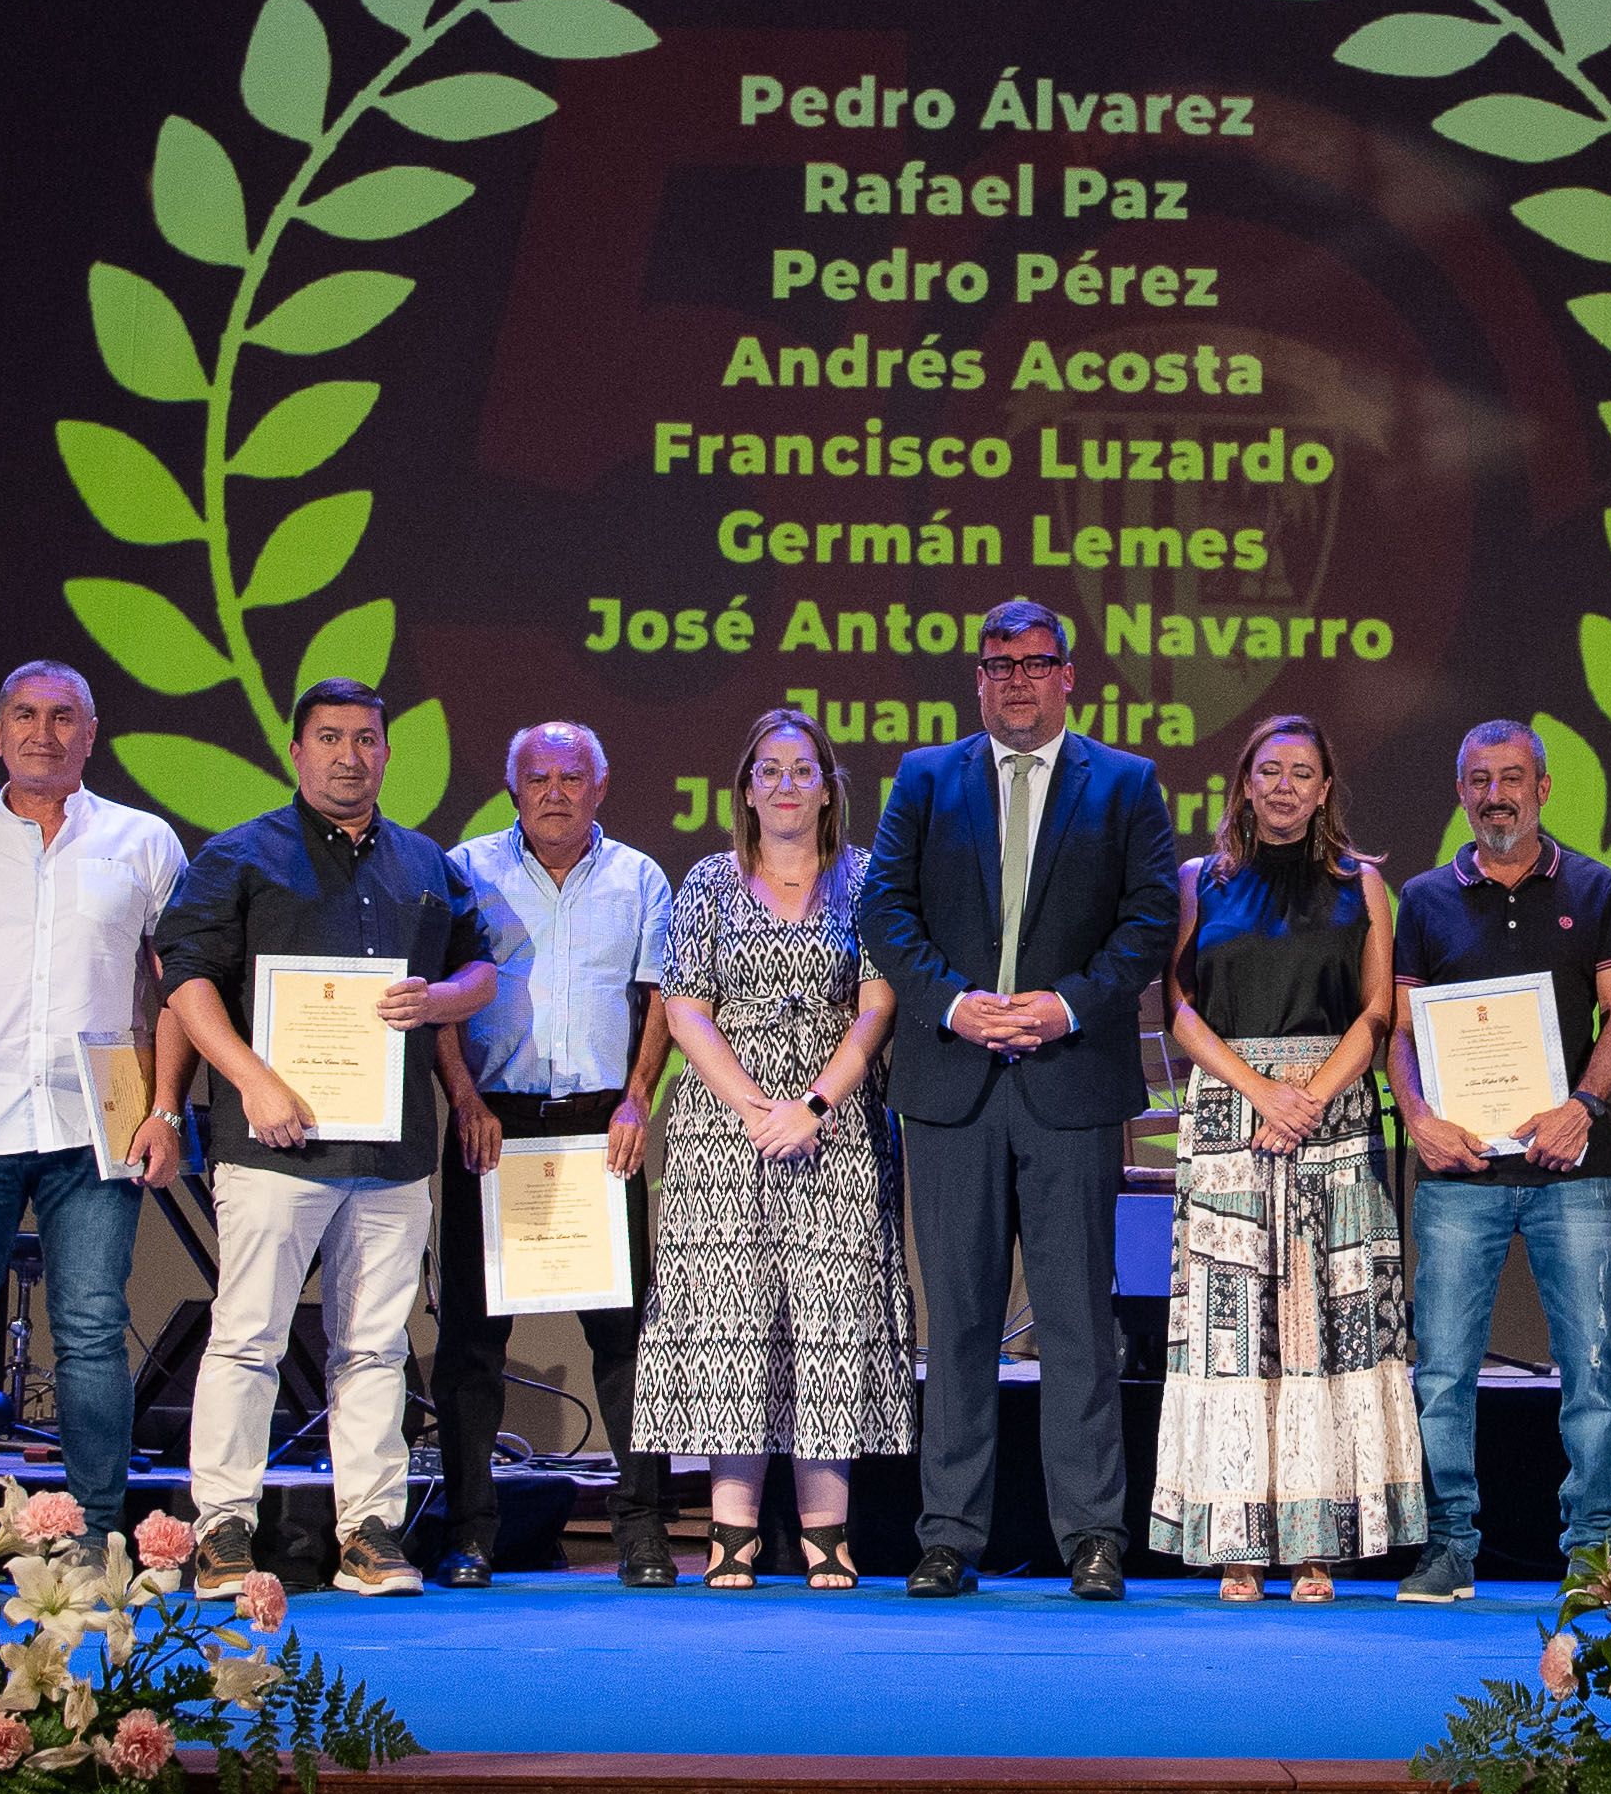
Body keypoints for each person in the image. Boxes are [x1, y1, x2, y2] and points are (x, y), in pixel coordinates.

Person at [854, 598, 1181, 1600]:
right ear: (979, 676)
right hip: (953, 1085)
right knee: (956, 1319)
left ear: (1067, 675)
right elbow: (883, 907)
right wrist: (954, 1005)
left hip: (1069, 1083)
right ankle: (949, 1533)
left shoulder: (1125, 783)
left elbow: (1150, 917)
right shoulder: (925, 777)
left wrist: (1063, 1005)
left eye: (1035, 663)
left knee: (1078, 1320)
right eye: (999, 663)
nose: (1017, 679)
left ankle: (1092, 1536)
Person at [154, 680, 497, 1589]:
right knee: (247, 1337)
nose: (351, 755)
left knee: (377, 1347)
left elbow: (480, 969)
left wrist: (443, 998)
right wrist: (255, 1079)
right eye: (331, 738)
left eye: (368, 739)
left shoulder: (427, 863)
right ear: (297, 751)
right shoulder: (239, 856)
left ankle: (371, 1531)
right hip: (273, 1142)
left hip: (390, 1151)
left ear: (388, 753)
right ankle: (223, 1526)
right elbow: (184, 983)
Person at [0, 663, 187, 1559]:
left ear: (91, 734)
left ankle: (97, 1536)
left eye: (64, 717)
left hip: (99, 1129)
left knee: (92, 1330)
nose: (43, 733)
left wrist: (166, 1108)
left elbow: (176, 989)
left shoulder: (144, 841)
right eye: (25, 714)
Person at [1151, 715, 1427, 1602]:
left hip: (1336, 1116)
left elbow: (1378, 1009)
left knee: (1328, 1326)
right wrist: (1262, 1091)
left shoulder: (1364, 885)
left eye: (1300, 773)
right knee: (1233, 1334)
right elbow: (1179, 1008)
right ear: (1243, 782)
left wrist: (1309, 1095)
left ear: (1323, 789)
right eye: (1267, 771)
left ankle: (1318, 1545)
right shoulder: (1201, 880)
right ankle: (1236, 1543)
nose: (1282, 786)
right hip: (1233, 1113)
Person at [633, 708, 908, 1590]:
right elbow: (684, 1006)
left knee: (829, 1323)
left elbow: (875, 1004)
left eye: (802, 769)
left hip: (836, 1120)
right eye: (768, 770)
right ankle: (731, 1536)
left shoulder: (866, 880)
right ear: (745, 789)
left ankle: (829, 1534)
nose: (785, 784)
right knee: (733, 1322)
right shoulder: (708, 881)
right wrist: (757, 1106)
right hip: (725, 1126)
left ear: (829, 787)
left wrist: (815, 1102)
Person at [1385, 719, 1611, 1602]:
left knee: (1593, 1368)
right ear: (1460, 791)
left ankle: (1597, 1553)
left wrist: (1583, 1106)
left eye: (1512, 777)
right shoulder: (1422, 898)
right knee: (1444, 1370)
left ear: (1543, 786)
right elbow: (1402, 1033)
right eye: (1478, 778)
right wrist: (1416, 1116)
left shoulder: (1594, 886)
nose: (1495, 793)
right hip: (1459, 1174)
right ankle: (1448, 1545)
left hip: (1573, 1167)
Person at [427, 723, 677, 1586]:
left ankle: (641, 1529)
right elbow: (443, 1004)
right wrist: (462, 1100)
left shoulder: (640, 876)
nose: (556, 791)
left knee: (626, 1340)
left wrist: (639, 1097)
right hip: (490, 1124)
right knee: (470, 1342)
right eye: (538, 776)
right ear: (513, 787)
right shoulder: (468, 868)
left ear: (600, 787)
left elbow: (658, 1002)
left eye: (573, 776)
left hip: (600, 1126)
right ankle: (469, 1533)